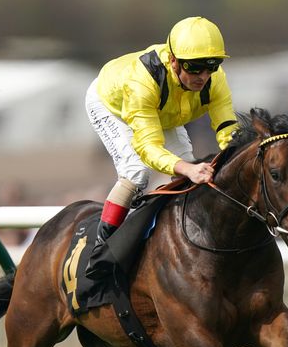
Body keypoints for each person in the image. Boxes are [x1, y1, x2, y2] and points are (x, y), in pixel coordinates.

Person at [84, 16, 238, 278]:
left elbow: (226, 128)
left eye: (212, 66)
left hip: (163, 111)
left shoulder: (215, 79)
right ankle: (101, 254)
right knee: (136, 172)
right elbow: (148, 148)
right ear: (174, 61)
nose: (203, 76)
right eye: (195, 67)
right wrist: (188, 168)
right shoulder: (142, 80)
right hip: (113, 104)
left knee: (185, 175)